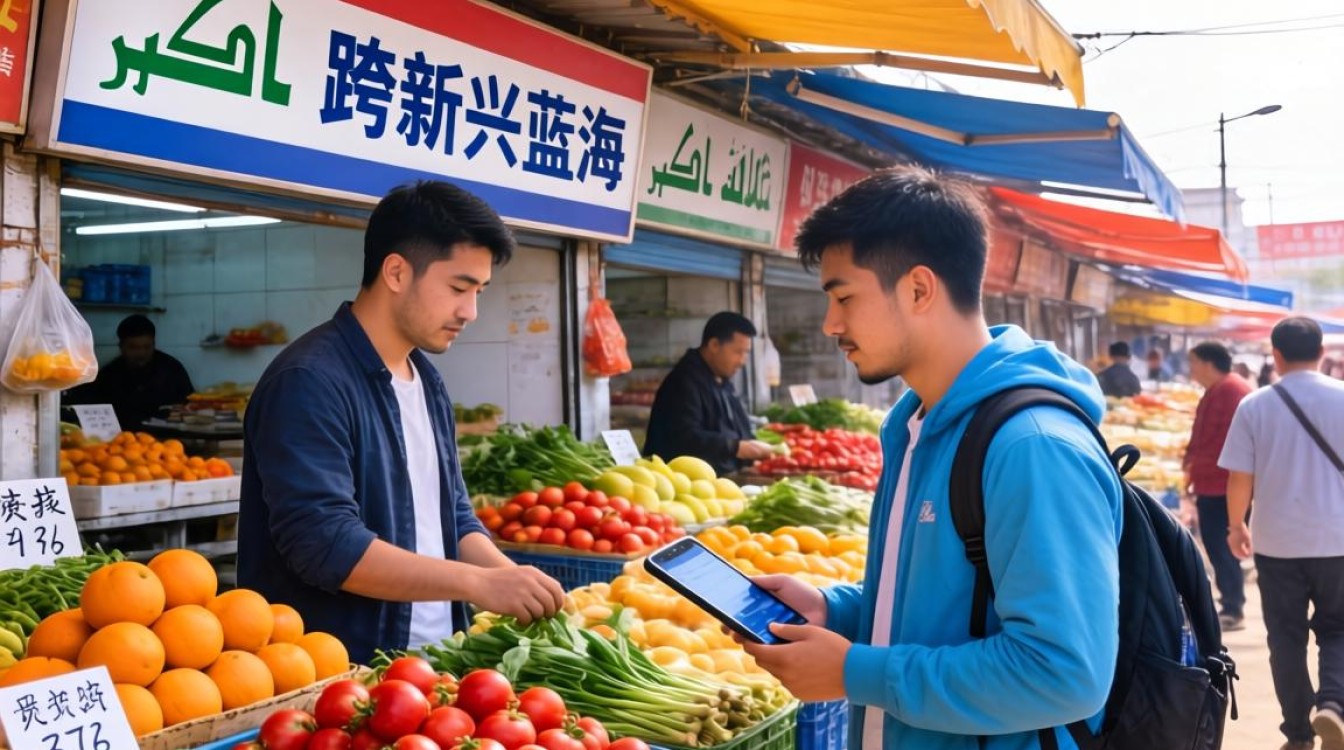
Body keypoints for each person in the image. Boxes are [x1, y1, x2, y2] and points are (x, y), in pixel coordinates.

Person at [740, 167, 1122, 750]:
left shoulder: (1033, 446)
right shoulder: (918, 425)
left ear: (919, 289)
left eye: (844, 297)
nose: (831, 324)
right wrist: (834, 610)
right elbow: (946, 606)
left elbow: (1063, 673)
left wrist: (854, 672)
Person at [238, 182, 564, 664]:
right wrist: (478, 583)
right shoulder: (309, 381)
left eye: (479, 291)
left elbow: (451, 514)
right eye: (458, 288)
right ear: (395, 271)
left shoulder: (425, 379)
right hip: (342, 675)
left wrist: (512, 580)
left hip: (436, 661)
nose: (470, 312)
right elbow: (325, 544)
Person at [1221, 316, 1344, 750]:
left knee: (1286, 638)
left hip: (1277, 544)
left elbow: (1240, 479)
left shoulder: (1255, 405)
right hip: (1338, 541)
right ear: (1322, 354)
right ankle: (1333, 704)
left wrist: (1237, 526)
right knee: (1338, 629)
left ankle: (1297, 733)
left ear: (1275, 355)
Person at [643, 312, 773, 475]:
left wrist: (749, 457)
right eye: (738, 352)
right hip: (684, 482)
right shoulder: (683, 382)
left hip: (722, 476)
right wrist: (735, 447)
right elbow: (685, 437)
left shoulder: (721, 379)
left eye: (746, 353)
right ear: (714, 345)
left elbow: (738, 427)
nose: (742, 361)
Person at [1183, 341, 1253, 632]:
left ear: (1208, 362)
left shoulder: (1233, 391)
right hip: (1211, 482)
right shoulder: (1220, 389)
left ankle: (1233, 606)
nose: (1191, 370)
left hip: (1223, 485)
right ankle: (1231, 601)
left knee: (1223, 544)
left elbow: (1232, 445)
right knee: (1217, 543)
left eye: (1193, 363)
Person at [66, 314, 194, 429]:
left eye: (146, 347)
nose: (141, 353)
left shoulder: (171, 370)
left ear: (154, 344)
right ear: (121, 346)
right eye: (133, 347)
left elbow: (191, 406)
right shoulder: (109, 375)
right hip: (123, 442)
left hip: (167, 441)